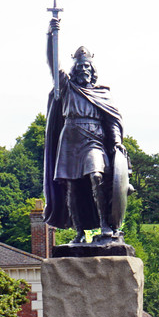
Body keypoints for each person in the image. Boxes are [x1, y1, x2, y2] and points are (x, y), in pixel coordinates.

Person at [43, 17, 126, 243]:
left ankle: (105, 225)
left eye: (87, 66)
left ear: (92, 69)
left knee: (96, 176)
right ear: (75, 70)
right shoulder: (67, 87)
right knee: (71, 186)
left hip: (94, 141)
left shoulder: (103, 94)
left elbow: (112, 121)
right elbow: (53, 62)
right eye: (80, 67)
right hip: (70, 139)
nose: (84, 70)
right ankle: (79, 233)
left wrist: (117, 142)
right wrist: (52, 35)